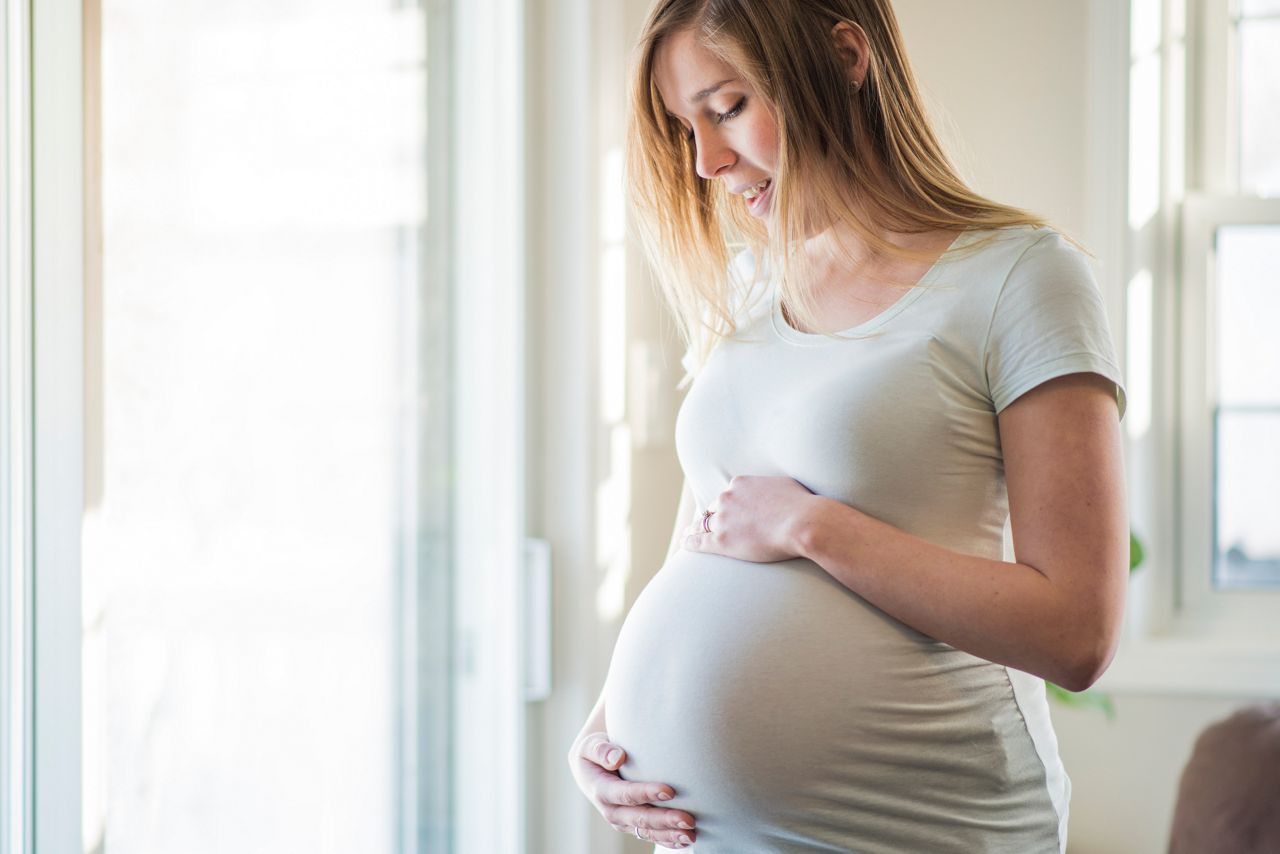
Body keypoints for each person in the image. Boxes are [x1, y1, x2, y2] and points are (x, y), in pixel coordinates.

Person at [567, 1, 1129, 851]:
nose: (708, 161)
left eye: (727, 109)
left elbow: (1078, 632)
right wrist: (605, 730)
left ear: (845, 57)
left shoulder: (1020, 277)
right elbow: (710, 534)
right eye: (688, 127)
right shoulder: (752, 290)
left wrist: (814, 525)